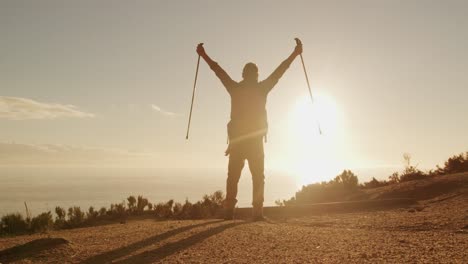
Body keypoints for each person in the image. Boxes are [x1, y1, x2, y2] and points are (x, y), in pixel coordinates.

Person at [196, 41, 302, 220]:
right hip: (255, 142)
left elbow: (218, 71)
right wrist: (295, 53)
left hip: (237, 141)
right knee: (258, 177)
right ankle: (257, 213)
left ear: (244, 75)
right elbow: (280, 71)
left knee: (233, 178)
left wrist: (203, 54)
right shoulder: (262, 88)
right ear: (256, 75)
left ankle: (229, 212)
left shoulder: (235, 88)